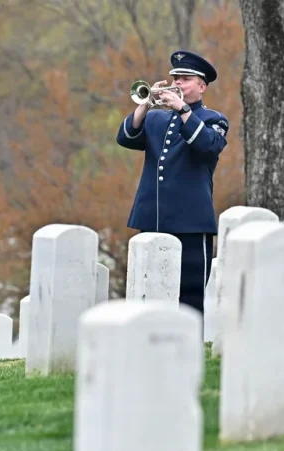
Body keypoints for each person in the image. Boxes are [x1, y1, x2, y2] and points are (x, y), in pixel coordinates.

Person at [116, 50, 229, 314]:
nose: (177, 83)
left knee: (189, 295)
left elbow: (208, 146)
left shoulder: (213, 119)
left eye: (185, 79)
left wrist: (183, 110)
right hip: (152, 217)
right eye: (175, 78)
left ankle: (189, 347)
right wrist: (145, 105)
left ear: (201, 86)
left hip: (191, 221)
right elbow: (125, 138)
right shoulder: (156, 118)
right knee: (149, 290)